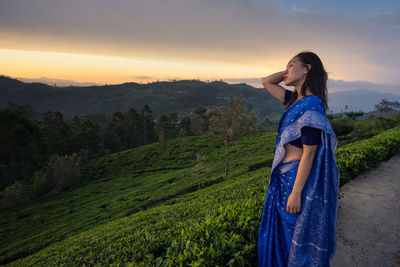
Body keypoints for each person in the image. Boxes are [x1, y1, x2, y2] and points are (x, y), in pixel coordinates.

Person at [257, 51, 340, 266]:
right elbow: (267, 82)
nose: (286, 71)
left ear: (307, 69)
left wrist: (296, 192)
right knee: (285, 237)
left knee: (294, 236)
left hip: (295, 179)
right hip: (283, 178)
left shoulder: (313, 105)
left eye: (291, 65)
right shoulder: (294, 101)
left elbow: (309, 152)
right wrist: (289, 71)